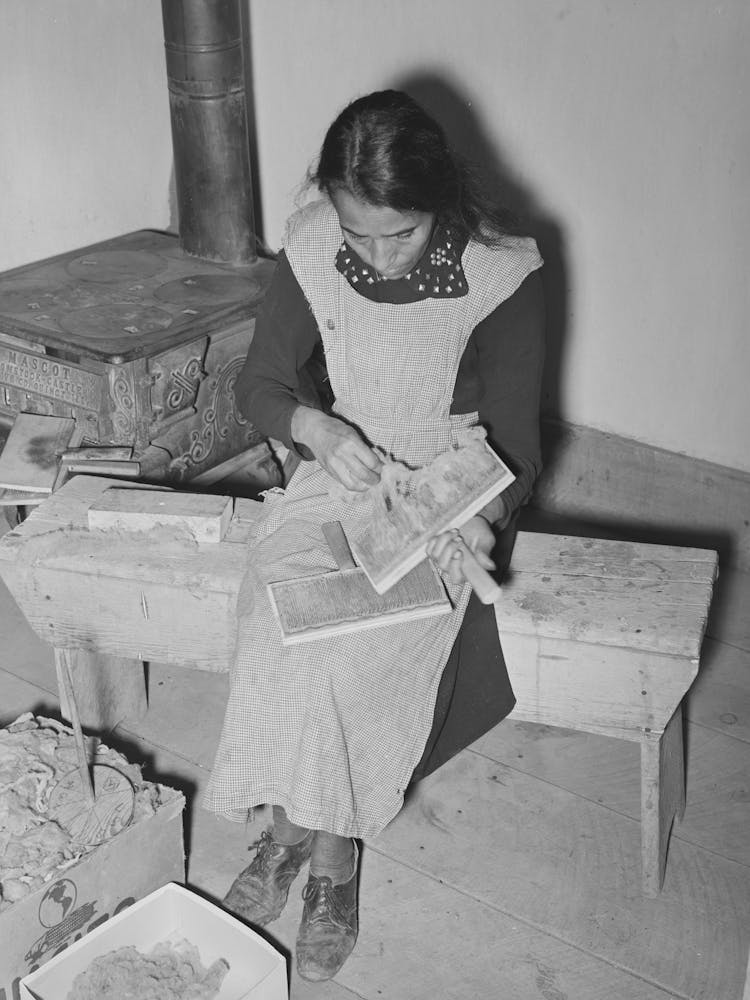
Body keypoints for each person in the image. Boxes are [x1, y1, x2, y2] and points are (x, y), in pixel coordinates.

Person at [205, 89, 545, 982]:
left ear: (442, 201)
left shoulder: (503, 270)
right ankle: (284, 832)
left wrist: (467, 521)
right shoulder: (318, 245)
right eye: (359, 234)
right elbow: (262, 383)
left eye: (401, 234)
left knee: (353, 657)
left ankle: (331, 861)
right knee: (282, 624)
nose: (378, 256)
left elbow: (517, 443)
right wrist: (316, 430)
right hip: (339, 469)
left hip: (447, 486)